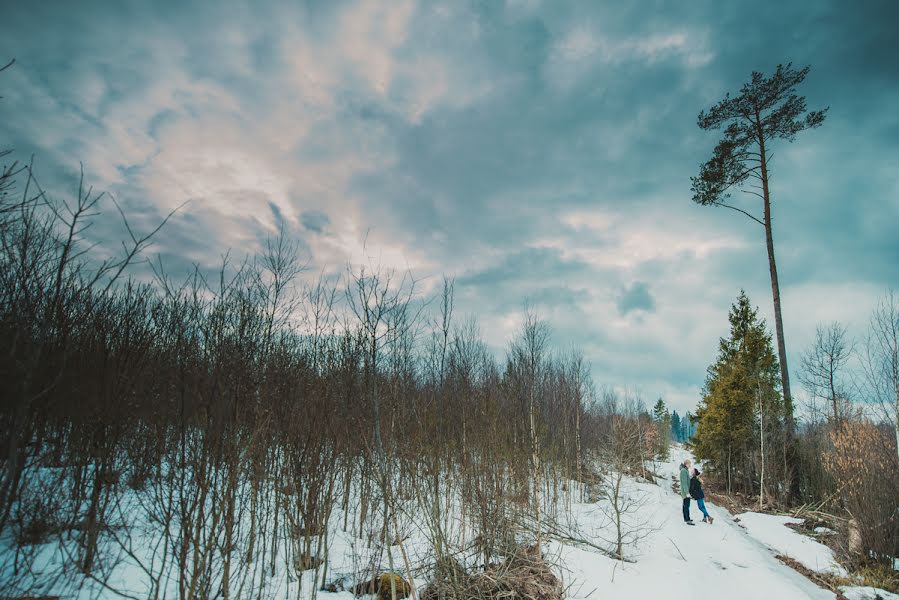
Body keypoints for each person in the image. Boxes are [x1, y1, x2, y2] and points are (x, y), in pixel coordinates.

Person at [679, 460, 694, 525]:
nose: (690, 465)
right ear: (686, 464)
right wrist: (687, 493)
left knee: (685, 505)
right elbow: (684, 483)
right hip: (685, 492)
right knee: (686, 506)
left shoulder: (685, 470)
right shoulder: (683, 471)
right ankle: (687, 520)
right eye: (689, 464)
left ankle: (686, 518)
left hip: (686, 491)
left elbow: (686, 480)